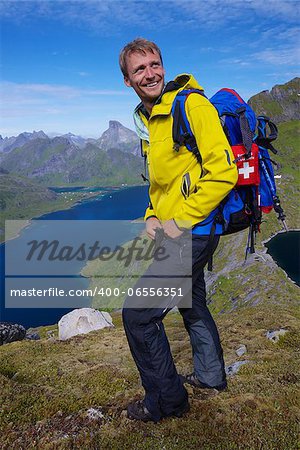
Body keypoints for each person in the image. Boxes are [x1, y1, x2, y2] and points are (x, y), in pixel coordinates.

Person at [119, 38, 238, 422]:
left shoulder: (191, 105)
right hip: (175, 232)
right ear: (127, 81)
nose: (150, 73)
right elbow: (162, 185)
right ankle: (211, 377)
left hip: (194, 232)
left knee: (138, 315)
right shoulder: (149, 120)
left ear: (164, 67)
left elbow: (224, 173)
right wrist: (152, 215)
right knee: (191, 302)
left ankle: (168, 402)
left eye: (154, 64)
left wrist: (180, 220)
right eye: (140, 69)